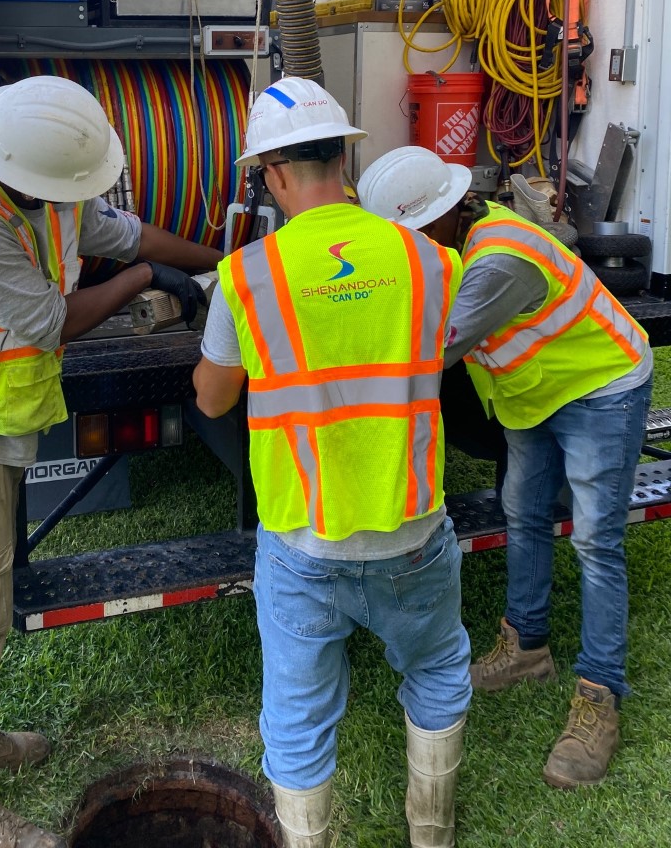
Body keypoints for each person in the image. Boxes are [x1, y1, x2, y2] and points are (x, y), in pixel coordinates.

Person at [0, 76, 222, 848]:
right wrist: (148, 283)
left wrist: (223, 264)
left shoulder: (52, 190)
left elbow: (130, 235)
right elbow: (48, 322)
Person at [192, 79, 472, 848]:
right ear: (345, 157)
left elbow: (212, 401)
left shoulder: (246, 276)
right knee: (439, 670)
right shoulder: (430, 260)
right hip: (412, 527)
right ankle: (432, 836)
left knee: (298, 711)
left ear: (271, 173)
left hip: (302, 538)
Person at [358, 145, 653, 789]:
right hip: (534, 393)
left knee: (598, 543)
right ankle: (525, 649)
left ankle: (599, 697)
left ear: (441, 216)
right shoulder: (457, 243)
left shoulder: (496, 261)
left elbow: (427, 351)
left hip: (600, 387)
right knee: (521, 516)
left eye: (407, 236)